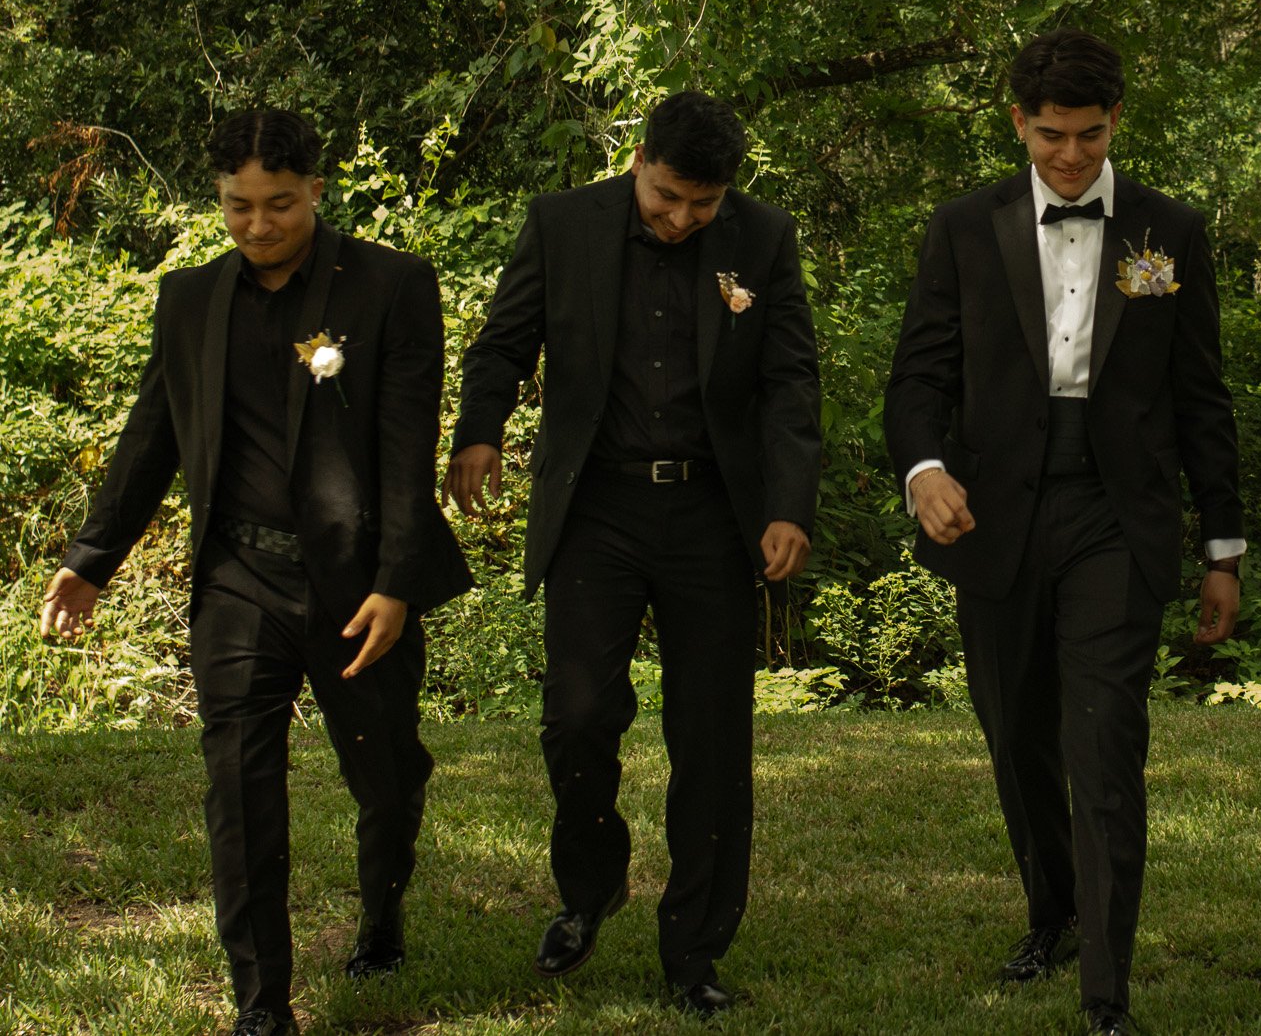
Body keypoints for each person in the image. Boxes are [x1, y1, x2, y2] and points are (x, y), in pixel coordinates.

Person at [40, 108, 472, 1036]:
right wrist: (91, 560)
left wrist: (396, 581)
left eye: (279, 204)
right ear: (220, 198)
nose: (259, 224)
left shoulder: (390, 285)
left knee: (387, 774)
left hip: (358, 586)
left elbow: (408, 443)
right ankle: (262, 1003)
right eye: (239, 206)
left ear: (316, 188)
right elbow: (151, 436)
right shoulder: (189, 298)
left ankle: (382, 915)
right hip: (239, 578)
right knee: (238, 786)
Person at [884, 28, 1245, 1036]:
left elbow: (1201, 397)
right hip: (993, 514)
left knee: (1104, 741)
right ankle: (1053, 911)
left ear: (1116, 120)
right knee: (1016, 736)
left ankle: (1105, 991)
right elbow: (917, 377)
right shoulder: (964, 227)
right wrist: (923, 471)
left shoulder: (1169, 231)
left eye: (1090, 135)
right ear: (1018, 123)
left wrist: (1221, 549)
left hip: (1115, 516)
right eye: (1052, 136)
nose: (1072, 155)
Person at [444, 90, 821, 1016]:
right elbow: (502, 343)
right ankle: (590, 885)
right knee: (577, 717)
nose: (684, 219)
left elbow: (789, 380)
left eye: (704, 205)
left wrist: (787, 506)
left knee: (711, 736)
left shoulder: (764, 238)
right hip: (598, 507)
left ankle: (694, 951)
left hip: (712, 514)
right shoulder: (562, 224)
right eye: (668, 198)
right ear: (639, 158)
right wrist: (478, 430)